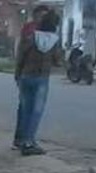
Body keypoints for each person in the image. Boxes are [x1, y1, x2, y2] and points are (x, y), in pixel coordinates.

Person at [14, 9, 64, 156]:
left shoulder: (31, 37)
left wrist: (17, 73)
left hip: (26, 76)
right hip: (41, 78)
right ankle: (29, 142)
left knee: (25, 110)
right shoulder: (54, 41)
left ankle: (21, 140)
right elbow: (57, 61)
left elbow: (21, 56)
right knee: (36, 112)